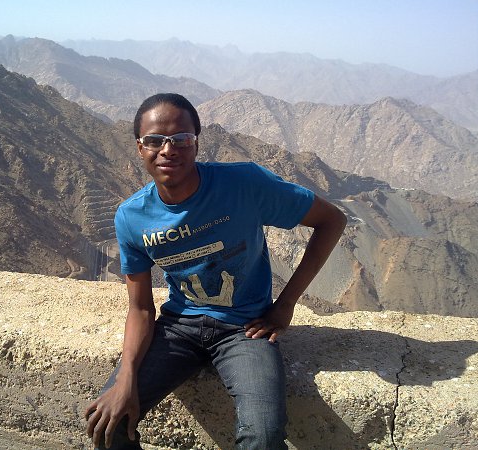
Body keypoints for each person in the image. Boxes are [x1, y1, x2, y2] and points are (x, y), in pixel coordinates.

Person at [85, 93, 347, 449]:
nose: (168, 150)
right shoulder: (132, 217)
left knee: (263, 436)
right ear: (140, 147)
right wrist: (126, 377)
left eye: (181, 139)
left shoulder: (243, 184)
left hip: (246, 329)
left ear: (196, 143)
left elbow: (331, 220)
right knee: (107, 425)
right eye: (155, 140)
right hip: (179, 326)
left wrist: (286, 305)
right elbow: (141, 308)